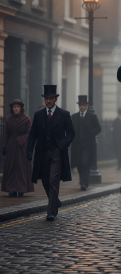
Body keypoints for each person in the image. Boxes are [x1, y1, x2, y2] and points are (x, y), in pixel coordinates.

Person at [26, 85, 75, 221]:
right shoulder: (38, 115)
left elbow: (71, 133)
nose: (49, 101)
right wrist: (29, 150)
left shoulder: (64, 114)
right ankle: (55, 201)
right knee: (45, 181)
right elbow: (33, 135)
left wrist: (63, 145)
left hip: (57, 153)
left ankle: (51, 211)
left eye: (51, 98)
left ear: (56, 99)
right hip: (42, 153)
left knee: (54, 180)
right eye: (47, 98)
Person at [1, 100, 33, 197]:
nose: (16, 109)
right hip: (11, 147)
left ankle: (21, 189)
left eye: (18, 107)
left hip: (22, 147)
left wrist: (22, 139)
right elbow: (6, 134)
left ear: (21, 108)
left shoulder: (26, 119)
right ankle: (12, 189)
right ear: (12, 108)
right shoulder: (9, 119)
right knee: (11, 168)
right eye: (14, 107)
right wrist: (4, 146)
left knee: (21, 168)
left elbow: (30, 133)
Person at [70, 96, 101, 190]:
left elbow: (98, 128)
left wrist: (91, 133)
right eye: (80, 105)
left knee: (85, 162)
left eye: (83, 105)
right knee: (79, 164)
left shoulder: (92, 116)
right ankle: (82, 180)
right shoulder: (74, 117)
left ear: (86, 105)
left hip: (87, 145)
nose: (82, 107)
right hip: (77, 145)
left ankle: (84, 183)